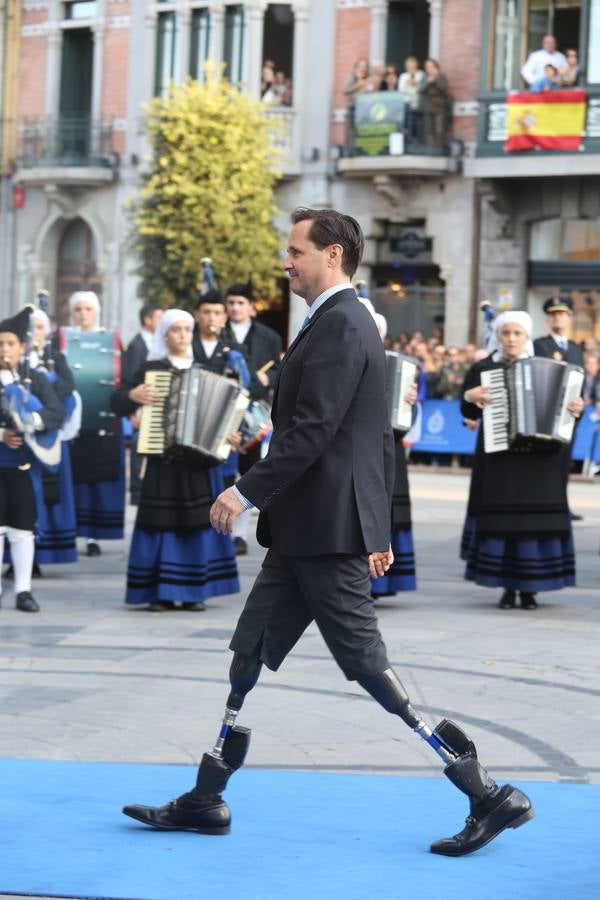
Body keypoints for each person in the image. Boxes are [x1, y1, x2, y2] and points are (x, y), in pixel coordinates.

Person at [123, 207, 534, 857]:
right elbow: (348, 438)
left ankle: (488, 794)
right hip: (302, 531)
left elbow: (314, 434)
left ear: (333, 255)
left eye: (296, 251)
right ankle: (205, 798)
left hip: (327, 533)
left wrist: (243, 489)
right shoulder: (328, 321)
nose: (286, 261)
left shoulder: (342, 325)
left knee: (368, 666)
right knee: (248, 649)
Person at [111, 310, 240, 612]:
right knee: (159, 523)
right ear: (164, 335)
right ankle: (159, 592)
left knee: (195, 523)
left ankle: (194, 592)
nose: (182, 335)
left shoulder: (205, 369)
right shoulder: (150, 369)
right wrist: (134, 395)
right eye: (176, 330)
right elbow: (116, 402)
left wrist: (227, 437)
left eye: (187, 330)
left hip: (196, 463)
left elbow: (223, 415)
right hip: (162, 458)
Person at [460, 310, 584, 610]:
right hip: (500, 458)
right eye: (506, 333)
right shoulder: (483, 368)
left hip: (539, 461)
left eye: (517, 334)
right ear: (498, 336)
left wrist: (574, 409)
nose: (512, 339)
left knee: (532, 523)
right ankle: (507, 588)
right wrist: (468, 397)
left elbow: (565, 418)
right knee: (506, 523)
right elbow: (469, 414)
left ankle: (531, 589)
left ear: (526, 337)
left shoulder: (552, 367)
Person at [0, 308, 64, 612]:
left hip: (24, 466)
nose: (4, 349)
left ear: (21, 347)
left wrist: (31, 419)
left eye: (9, 343)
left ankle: (23, 590)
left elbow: (55, 413)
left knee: (23, 527)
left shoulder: (34, 378)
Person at [222, 282, 282, 556]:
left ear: (251, 307)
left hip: (253, 412)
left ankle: (239, 534)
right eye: (231, 303)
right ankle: (218, 528)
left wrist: (265, 378)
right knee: (222, 468)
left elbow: (280, 368)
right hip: (222, 407)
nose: (235, 308)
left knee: (248, 471)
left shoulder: (269, 336)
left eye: (240, 303)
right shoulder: (218, 333)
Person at [67, 292, 126, 557]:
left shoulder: (111, 341)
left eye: (88, 308)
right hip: (74, 427)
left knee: (97, 481)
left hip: (105, 425)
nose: (83, 313)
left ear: (97, 311)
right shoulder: (64, 341)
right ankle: (73, 531)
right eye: (78, 309)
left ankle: (93, 535)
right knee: (76, 482)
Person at [368, 309, 417, 599]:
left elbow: (405, 422)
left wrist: (409, 402)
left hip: (388, 450)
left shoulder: (398, 366)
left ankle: (382, 582)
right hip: (355, 451)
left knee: (387, 512)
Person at [122, 305, 163, 506]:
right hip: (140, 406)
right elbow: (131, 378)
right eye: (158, 317)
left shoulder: (158, 343)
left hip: (153, 404)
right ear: (147, 320)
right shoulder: (137, 345)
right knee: (139, 448)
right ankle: (136, 491)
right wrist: (133, 411)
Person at [533, 296, 584, 366]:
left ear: (569, 318)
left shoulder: (577, 349)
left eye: (561, 314)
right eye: (553, 314)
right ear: (547, 319)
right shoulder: (538, 345)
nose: (557, 317)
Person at [418, 58, 452, 149]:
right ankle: (431, 148)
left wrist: (435, 80)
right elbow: (420, 90)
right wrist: (428, 83)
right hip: (428, 106)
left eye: (432, 66)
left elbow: (443, 89)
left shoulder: (441, 77)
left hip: (440, 105)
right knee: (429, 129)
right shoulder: (424, 78)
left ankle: (439, 148)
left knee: (439, 128)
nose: (430, 69)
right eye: (428, 67)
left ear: (436, 67)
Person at [399, 56, 425, 142]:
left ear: (416, 65)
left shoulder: (421, 74)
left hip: (418, 103)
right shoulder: (403, 76)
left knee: (417, 123)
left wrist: (415, 84)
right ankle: (409, 139)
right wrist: (408, 83)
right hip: (407, 103)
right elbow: (401, 90)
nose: (410, 67)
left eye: (412, 65)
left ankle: (417, 140)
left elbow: (422, 89)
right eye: (408, 65)